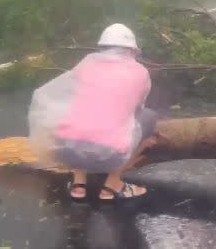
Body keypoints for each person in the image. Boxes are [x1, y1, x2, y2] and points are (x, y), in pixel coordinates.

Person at [27, 23, 159, 202]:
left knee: (79, 113)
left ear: (102, 46)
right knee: (148, 117)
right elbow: (138, 108)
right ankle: (112, 186)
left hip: (66, 151)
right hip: (109, 154)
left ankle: (78, 184)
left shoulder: (85, 65)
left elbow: (69, 99)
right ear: (131, 50)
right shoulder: (140, 73)